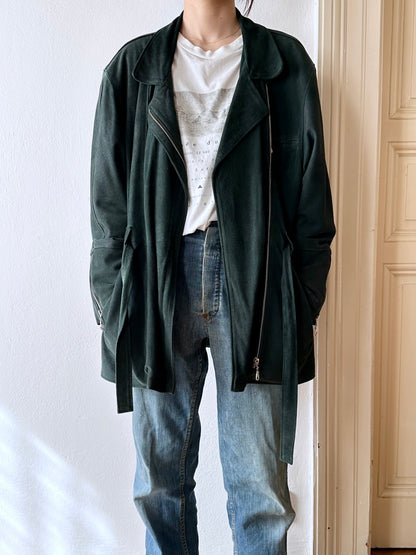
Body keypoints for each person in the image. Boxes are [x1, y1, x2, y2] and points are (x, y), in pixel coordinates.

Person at [89, 0, 336, 552]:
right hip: (158, 287)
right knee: (159, 485)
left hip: (257, 285)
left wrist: (299, 300)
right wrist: (114, 304)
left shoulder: (283, 63)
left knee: (260, 491)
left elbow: (311, 205)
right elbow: (108, 209)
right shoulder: (133, 69)